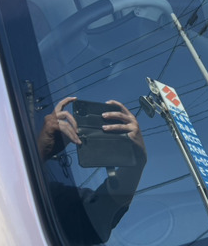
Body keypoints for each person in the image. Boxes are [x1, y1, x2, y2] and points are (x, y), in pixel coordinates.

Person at [37, 96, 147, 245]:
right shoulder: (44, 190)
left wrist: (137, 162)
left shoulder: (67, 203)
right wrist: (40, 152)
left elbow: (102, 210)